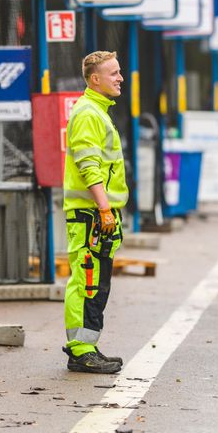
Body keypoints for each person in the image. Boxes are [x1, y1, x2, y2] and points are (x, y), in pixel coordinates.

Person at [61, 51, 128, 374]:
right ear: (95, 79)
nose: (120, 78)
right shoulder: (89, 113)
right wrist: (104, 207)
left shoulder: (96, 111)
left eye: (119, 72)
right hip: (90, 214)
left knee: (95, 282)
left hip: (96, 213)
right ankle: (81, 349)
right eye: (113, 73)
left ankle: (87, 346)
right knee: (87, 280)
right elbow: (89, 165)